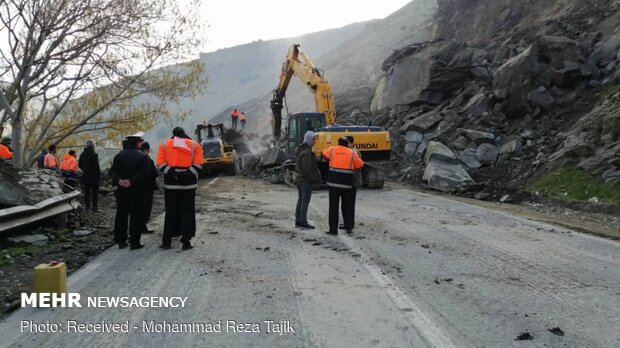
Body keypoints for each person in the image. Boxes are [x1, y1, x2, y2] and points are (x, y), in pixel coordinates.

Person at [156, 126, 204, 250]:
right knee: (187, 213)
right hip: (188, 186)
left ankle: (166, 242)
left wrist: (174, 174)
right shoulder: (194, 145)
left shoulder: (165, 145)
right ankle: (186, 242)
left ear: (173, 135)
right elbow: (198, 164)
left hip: (171, 186)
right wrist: (186, 174)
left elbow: (160, 163)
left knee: (171, 213)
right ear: (184, 134)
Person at [109, 132, 149, 250]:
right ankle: (134, 243)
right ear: (137, 143)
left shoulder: (119, 156)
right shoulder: (142, 156)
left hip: (121, 190)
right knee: (136, 215)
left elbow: (112, 172)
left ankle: (121, 241)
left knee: (121, 214)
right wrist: (131, 181)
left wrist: (120, 181)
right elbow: (144, 173)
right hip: (137, 190)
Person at [322, 137, 364, 235]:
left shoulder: (332, 150)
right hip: (346, 184)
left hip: (333, 183)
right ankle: (349, 228)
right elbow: (359, 164)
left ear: (338, 143)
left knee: (333, 207)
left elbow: (324, 153)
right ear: (347, 144)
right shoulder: (353, 153)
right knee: (347, 207)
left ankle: (333, 230)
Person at [294, 131, 321, 230]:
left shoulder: (301, 150)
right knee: (305, 201)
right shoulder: (307, 152)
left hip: (299, 178)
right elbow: (307, 169)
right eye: (314, 139)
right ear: (309, 139)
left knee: (301, 200)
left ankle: (298, 220)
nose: (315, 141)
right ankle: (302, 221)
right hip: (304, 180)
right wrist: (312, 179)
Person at [340, 136, 362, 231]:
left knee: (349, 204)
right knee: (345, 204)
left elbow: (357, 167)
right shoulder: (347, 152)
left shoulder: (355, 152)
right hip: (346, 181)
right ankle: (347, 222)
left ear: (352, 143)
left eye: (347, 143)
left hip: (352, 181)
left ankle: (349, 223)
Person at [140, 141, 159, 234]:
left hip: (138, 187)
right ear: (147, 149)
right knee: (146, 208)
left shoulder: (138, 157)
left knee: (140, 207)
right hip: (147, 187)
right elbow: (154, 173)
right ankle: (143, 227)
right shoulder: (147, 159)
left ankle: (139, 226)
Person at [78, 140, 101, 211]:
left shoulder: (82, 154)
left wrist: (85, 170)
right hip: (94, 177)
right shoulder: (94, 155)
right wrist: (98, 176)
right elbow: (97, 167)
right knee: (95, 193)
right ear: (93, 146)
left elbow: (80, 165)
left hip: (85, 176)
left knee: (86, 192)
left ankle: (87, 207)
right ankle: (94, 207)